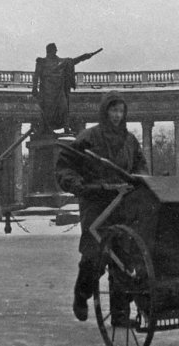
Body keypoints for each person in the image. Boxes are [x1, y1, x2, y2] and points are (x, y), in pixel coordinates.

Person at [56, 90, 148, 324]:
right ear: (104, 111)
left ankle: (120, 315)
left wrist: (140, 180)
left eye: (121, 111)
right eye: (113, 110)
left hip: (122, 202)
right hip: (96, 201)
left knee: (123, 258)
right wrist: (77, 184)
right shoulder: (88, 137)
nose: (117, 115)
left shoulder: (130, 140)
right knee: (94, 254)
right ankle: (81, 294)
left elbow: (140, 167)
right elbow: (66, 165)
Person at [32, 43, 101, 133]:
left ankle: (66, 128)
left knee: (64, 107)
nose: (56, 51)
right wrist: (34, 88)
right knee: (48, 112)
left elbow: (73, 61)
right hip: (47, 91)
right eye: (54, 50)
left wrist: (84, 56)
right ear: (49, 50)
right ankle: (48, 129)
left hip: (59, 90)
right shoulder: (42, 62)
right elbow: (36, 75)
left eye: (55, 50)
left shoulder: (61, 62)